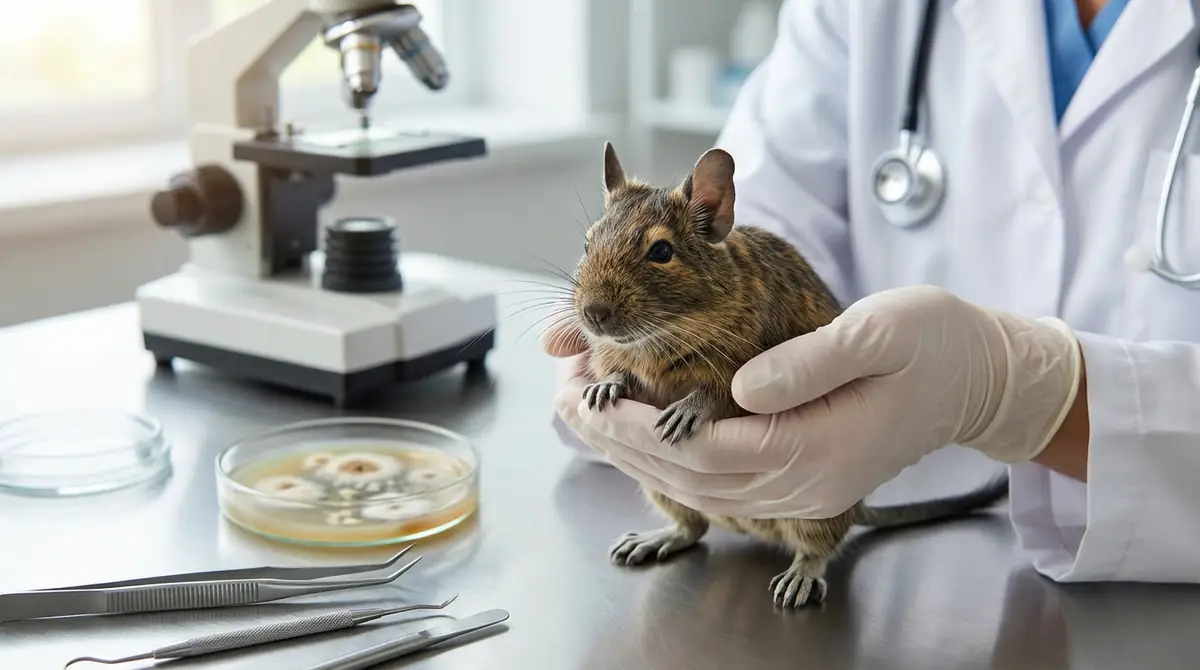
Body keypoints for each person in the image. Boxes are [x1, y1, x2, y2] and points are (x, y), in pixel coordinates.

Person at [544, 0, 1200, 584]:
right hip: (872, 519)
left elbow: (718, 258)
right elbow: (772, 206)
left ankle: (811, 554)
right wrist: (614, 386)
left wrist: (1024, 393)